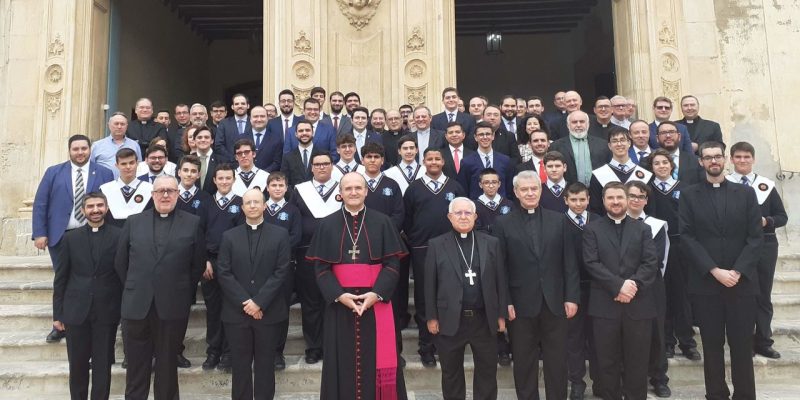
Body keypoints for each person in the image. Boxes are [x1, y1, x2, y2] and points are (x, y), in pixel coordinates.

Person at [306, 172, 408, 399]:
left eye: (358, 188)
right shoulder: (327, 224)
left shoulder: (383, 222)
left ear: (366, 191)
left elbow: (392, 265)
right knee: (340, 360)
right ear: (340, 193)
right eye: (348, 188)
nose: (353, 192)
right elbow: (321, 269)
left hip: (376, 302)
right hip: (340, 304)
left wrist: (377, 294)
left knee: (377, 356)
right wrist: (339, 295)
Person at [679, 141, 763, 400]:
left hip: (741, 282)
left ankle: (745, 395)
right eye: (708, 157)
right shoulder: (689, 195)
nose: (713, 161)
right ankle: (716, 394)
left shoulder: (746, 194)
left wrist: (737, 271)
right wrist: (715, 270)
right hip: (706, 283)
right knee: (712, 345)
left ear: (725, 159)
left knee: (742, 345)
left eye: (717, 156)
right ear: (701, 162)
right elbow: (687, 237)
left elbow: (755, 237)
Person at [115, 175, 206, 400]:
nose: (165, 195)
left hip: (172, 305)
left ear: (178, 194)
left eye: (170, 191)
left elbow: (197, 265)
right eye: (160, 191)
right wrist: (137, 286)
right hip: (137, 304)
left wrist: (179, 288)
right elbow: (120, 262)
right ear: (152, 194)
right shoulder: (134, 222)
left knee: (167, 364)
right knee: (136, 366)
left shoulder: (192, 223)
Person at [492, 170, 580, 400]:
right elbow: (500, 267)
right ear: (516, 192)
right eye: (525, 189)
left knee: (557, 360)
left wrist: (571, 297)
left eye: (534, 188)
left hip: (555, 302)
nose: (530, 193)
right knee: (523, 361)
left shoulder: (559, 220)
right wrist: (505, 302)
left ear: (541, 190)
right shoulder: (502, 223)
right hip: (520, 305)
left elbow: (569, 262)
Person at [34, 135, 114, 349]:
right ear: (69, 151)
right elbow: (41, 202)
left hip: (92, 234)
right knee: (63, 279)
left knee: (87, 279)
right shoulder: (53, 172)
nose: (80, 152)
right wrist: (40, 233)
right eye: (76, 149)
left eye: (84, 148)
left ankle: (86, 320)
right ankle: (59, 323)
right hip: (61, 235)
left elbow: (109, 204)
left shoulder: (104, 172)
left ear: (90, 150)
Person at [582, 181, 659, 400]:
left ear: (627, 200)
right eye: (610, 198)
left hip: (638, 304)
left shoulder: (643, 229)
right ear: (603, 201)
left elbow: (650, 263)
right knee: (606, 361)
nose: (615, 202)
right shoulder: (592, 229)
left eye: (619, 197)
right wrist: (618, 286)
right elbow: (591, 263)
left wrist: (632, 285)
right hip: (604, 306)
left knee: (638, 360)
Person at [425, 197, 507, 400]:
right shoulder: (436, 244)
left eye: (468, 213)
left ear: (475, 216)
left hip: (483, 318)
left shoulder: (491, 243)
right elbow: (429, 284)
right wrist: (432, 316)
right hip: (450, 318)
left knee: (487, 372)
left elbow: (500, 280)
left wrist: (501, 314)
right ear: (449, 217)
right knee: (451, 373)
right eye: (458, 213)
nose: (463, 217)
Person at [216, 188, 291, 400]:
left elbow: (281, 271)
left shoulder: (280, 235)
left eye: (256, 202)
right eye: (248, 202)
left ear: (265, 206)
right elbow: (224, 272)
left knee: (266, 365)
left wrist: (259, 302)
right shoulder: (229, 237)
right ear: (242, 208)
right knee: (240, 365)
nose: (252, 206)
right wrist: (246, 302)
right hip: (236, 313)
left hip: (268, 311)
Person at [53, 192, 121, 400]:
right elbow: (61, 278)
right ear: (83, 211)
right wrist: (58, 314)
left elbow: (123, 275)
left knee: (103, 366)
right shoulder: (69, 238)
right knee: (77, 366)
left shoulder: (119, 236)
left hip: (106, 311)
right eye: (90, 206)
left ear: (106, 208)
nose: (95, 210)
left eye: (100, 205)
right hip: (75, 312)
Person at [403, 147, 467, 367]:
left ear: (443, 161)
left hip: (452, 249)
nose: (433, 162)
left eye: (437, 159)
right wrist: (416, 239)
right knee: (424, 298)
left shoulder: (455, 187)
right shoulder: (414, 188)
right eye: (429, 159)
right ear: (424, 162)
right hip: (422, 249)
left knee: (449, 295)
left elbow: (463, 215)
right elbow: (407, 219)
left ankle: (446, 344)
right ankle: (426, 346)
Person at [726, 141, 787, 359]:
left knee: (763, 294)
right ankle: (744, 342)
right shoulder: (725, 184)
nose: (742, 160)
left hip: (765, 245)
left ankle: (763, 341)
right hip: (736, 246)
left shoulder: (765, 186)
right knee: (740, 296)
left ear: (753, 159)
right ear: (731, 159)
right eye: (738, 157)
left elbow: (782, 217)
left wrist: (766, 221)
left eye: (746, 157)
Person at [644, 148, 700, 362]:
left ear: (671, 165)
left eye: (665, 162)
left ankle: (687, 342)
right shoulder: (647, 190)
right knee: (663, 294)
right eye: (656, 163)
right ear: (652, 167)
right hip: (657, 245)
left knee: (682, 296)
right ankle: (667, 341)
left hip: (680, 245)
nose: (661, 166)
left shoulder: (685, 189)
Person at [290, 153, 341, 364]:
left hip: (338, 255)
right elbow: (293, 218)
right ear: (311, 167)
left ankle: (332, 345)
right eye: (317, 164)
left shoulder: (342, 188)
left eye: (325, 164)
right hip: (307, 254)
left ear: (332, 166)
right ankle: (313, 347)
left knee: (333, 300)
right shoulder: (300, 190)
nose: (321, 167)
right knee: (310, 302)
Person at [625, 181, 672, 398]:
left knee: (656, 333)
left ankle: (659, 378)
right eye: (632, 195)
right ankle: (627, 377)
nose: (636, 200)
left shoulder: (657, 226)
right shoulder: (616, 223)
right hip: (622, 287)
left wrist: (635, 281)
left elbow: (656, 259)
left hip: (651, 286)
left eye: (641, 196)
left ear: (646, 200)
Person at [202, 163, 243, 372]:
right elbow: (198, 234)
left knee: (232, 309)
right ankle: (213, 351)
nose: (224, 181)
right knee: (213, 309)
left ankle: (229, 351)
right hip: (210, 263)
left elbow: (243, 236)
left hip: (234, 265)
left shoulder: (241, 203)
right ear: (214, 180)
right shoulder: (206, 203)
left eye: (228, 178)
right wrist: (204, 260)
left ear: (234, 179)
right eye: (221, 178)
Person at [563, 182, 601, 400]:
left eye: (582, 200)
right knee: (574, 338)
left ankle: (600, 380)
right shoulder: (559, 223)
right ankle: (577, 381)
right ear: (566, 200)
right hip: (572, 290)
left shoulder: (598, 221)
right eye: (573, 200)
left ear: (588, 199)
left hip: (597, 288)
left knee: (598, 337)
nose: (578, 204)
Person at [262, 172, 302, 370]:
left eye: (281, 185)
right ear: (267, 188)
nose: (277, 188)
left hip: (285, 267)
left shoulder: (293, 211)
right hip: (260, 268)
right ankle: (262, 350)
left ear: (287, 188)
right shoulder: (260, 208)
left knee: (281, 310)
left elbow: (296, 236)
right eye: (273, 185)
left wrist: (277, 251)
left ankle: (278, 351)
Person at [588, 128, 653, 214]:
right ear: (609, 146)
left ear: (629, 143)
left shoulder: (644, 174)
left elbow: (650, 207)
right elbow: (596, 208)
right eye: (614, 141)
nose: (619, 144)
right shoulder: (599, 174)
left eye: (622, 140)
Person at [549, 111, 611, 185]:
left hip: (597, 189)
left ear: (588, 124)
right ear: (568, 125)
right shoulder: (556, 146)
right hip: (569, 189)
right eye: (574, 122)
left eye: (582, 122)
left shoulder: (602, 145)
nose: (578, 125)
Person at [458, 121, 515, 200]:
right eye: (481, 134)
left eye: (488, 134)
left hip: (501, 205)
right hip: (477, 205)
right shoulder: (467, 162)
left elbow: (509, 188)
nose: (485, 137)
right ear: (475, 137)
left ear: (493, 136)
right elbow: (463, 190)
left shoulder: (505, 160)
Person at [99, 148, 153, 227]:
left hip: (141, 232)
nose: (128, 167)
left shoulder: (149, 189)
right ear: (117, 166)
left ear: (137, 163)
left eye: (131, 163)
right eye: (123, 164)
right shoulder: (105, 189)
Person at [92, 112, 142, 177]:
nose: (119, 127)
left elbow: (139, 167)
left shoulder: (134, 145)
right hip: (103, 182)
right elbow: (91, 168)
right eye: (116, 124)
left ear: (127, 126)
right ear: (109, 125)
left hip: (128, 182)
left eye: (122, 124)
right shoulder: (97, 146)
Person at [474, 168, 514, 234]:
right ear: (480, 185)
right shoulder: (474, 206)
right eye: (486, 183)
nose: (491, 186)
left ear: (499, 184)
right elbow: (476, 230)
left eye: (494, 182)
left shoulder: (509, 204)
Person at [244, 105, 283, 172]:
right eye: (255, 116)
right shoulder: (241, 138)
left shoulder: (276, 139)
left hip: (268, 176)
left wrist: (262, 174)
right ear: (250, 119)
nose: (259, 119)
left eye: (262, 116)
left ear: (267, 118)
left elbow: (277, 162)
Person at [215, 93, 251, 163]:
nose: (240, 106)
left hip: (251, 163)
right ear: (232, 107)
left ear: (248, 106)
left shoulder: (254, 122)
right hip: (230, 164)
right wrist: (233, 158)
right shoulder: (224, 123)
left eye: (243, 103)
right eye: (237, 104)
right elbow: (219, 145)